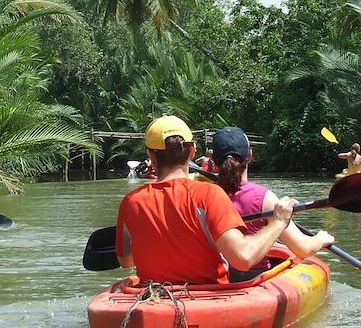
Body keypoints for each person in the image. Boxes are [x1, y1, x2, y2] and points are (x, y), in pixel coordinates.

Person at [115, 116, 297, 285]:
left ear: (151, 156)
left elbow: (126, 260)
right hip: (209, 297)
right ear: (192, 151)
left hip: (155, 297)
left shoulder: (131, 202)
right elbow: (243, 258)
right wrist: (279, 222)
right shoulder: (210, 194)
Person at [211, 126, 335, 282]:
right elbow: (303, 248)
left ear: (213, 162)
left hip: (216, 277)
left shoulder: (204, 195)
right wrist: (321, 238)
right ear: (250, 156)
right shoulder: (264, 198)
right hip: (254, 278)